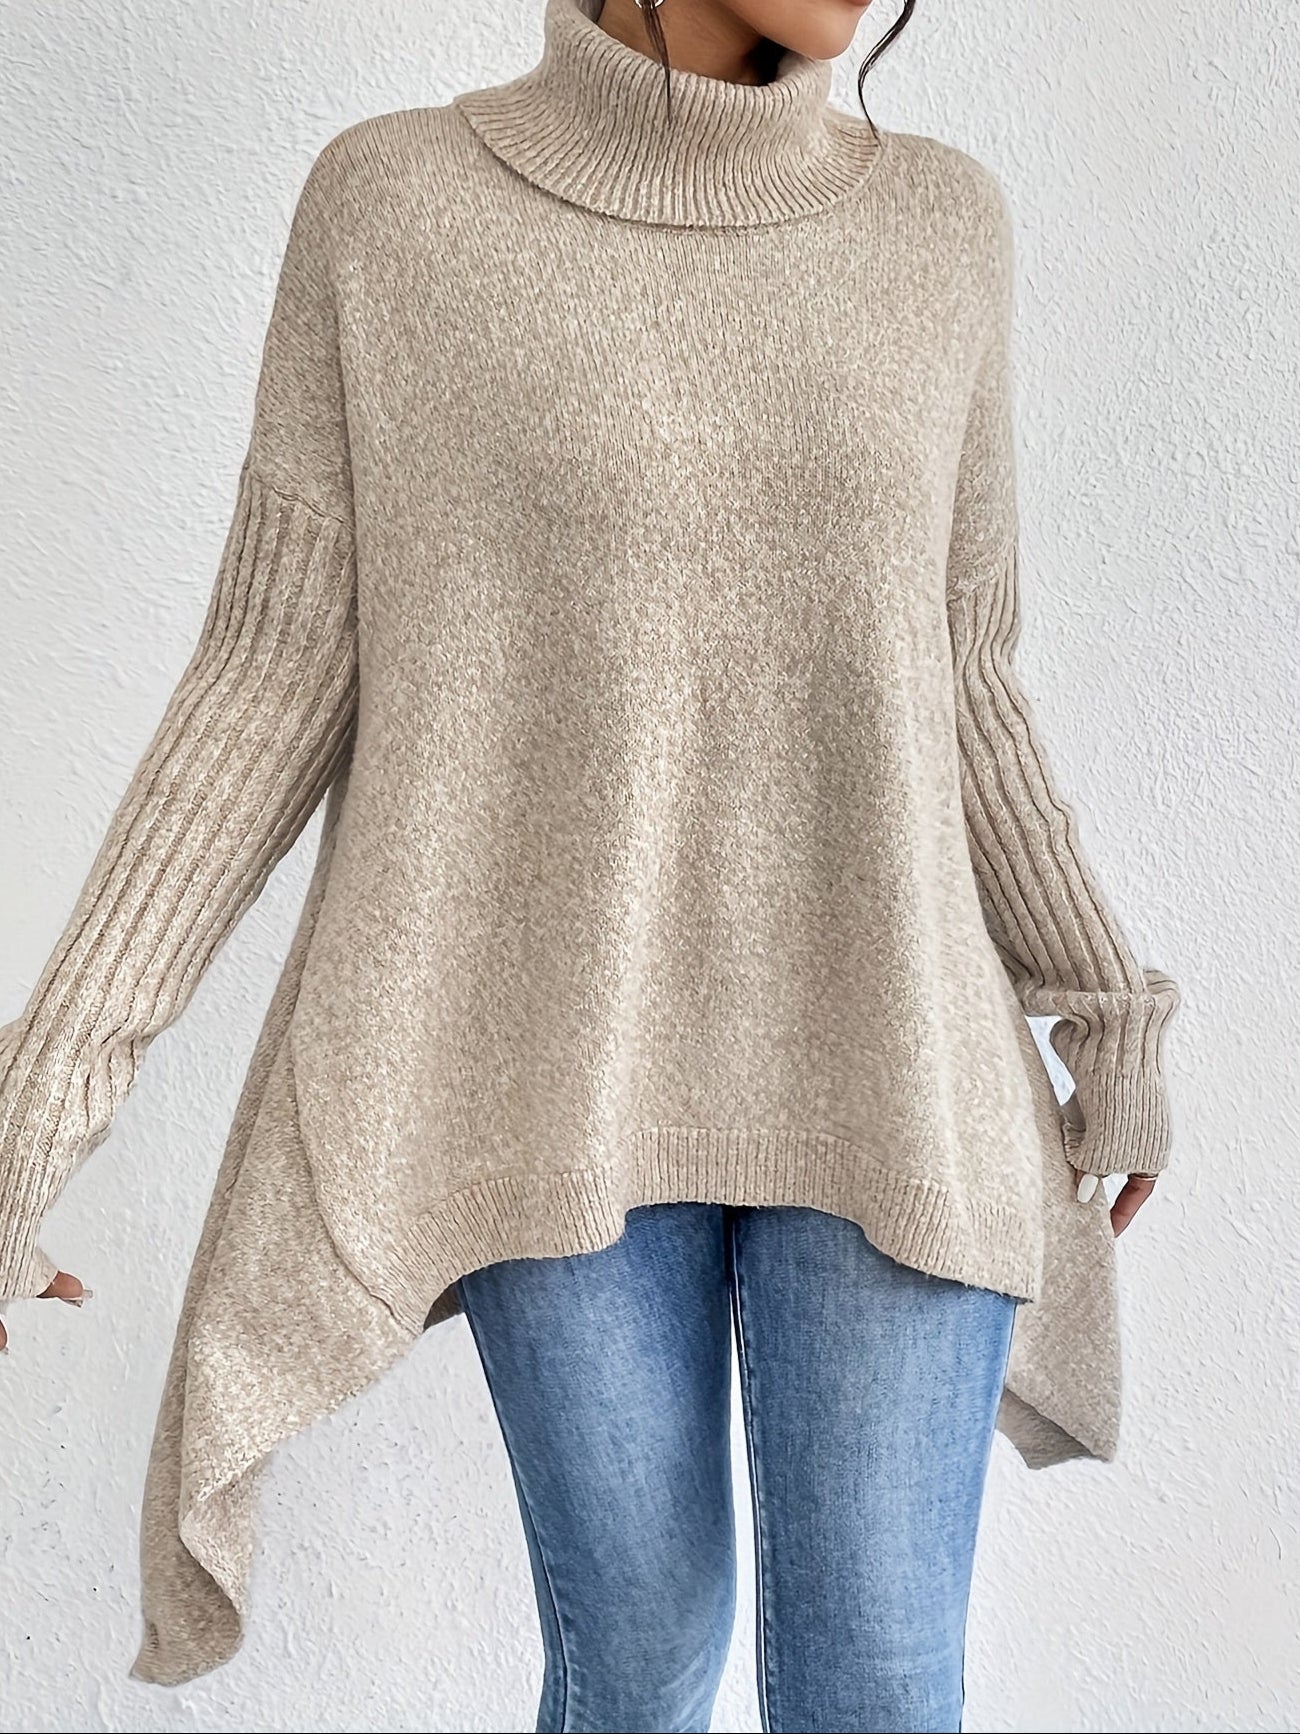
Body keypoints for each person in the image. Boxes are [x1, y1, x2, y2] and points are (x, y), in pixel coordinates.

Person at [0, 1, 1182, 1729]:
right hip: (539, 1067)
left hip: (892, 1050)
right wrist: (32, 1116)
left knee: (877, 1674)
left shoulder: (940, 225)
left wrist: (1106, 1003)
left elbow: (965, 677)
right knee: (637, 1651)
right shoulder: (394, 211)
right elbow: (263, 683)